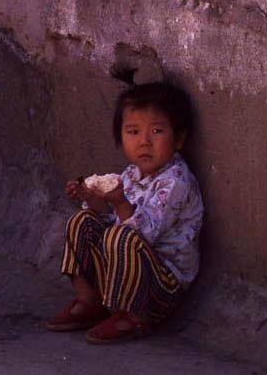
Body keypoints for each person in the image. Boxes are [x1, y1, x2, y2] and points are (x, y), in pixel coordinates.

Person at [46, 81, 204, 344]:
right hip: (122, 274)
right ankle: (90, 301)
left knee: (123, 237)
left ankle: (134, 316)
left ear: (178, 138)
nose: (144, 142)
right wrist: (92, 199)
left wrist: (119, 202)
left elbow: (144, 233)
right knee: (82, 221)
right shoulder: (131, 175)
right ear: (121, 138)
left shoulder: (176, 182)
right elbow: (109, 220)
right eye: (133, 132)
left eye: (156, 131)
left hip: (160, 285)